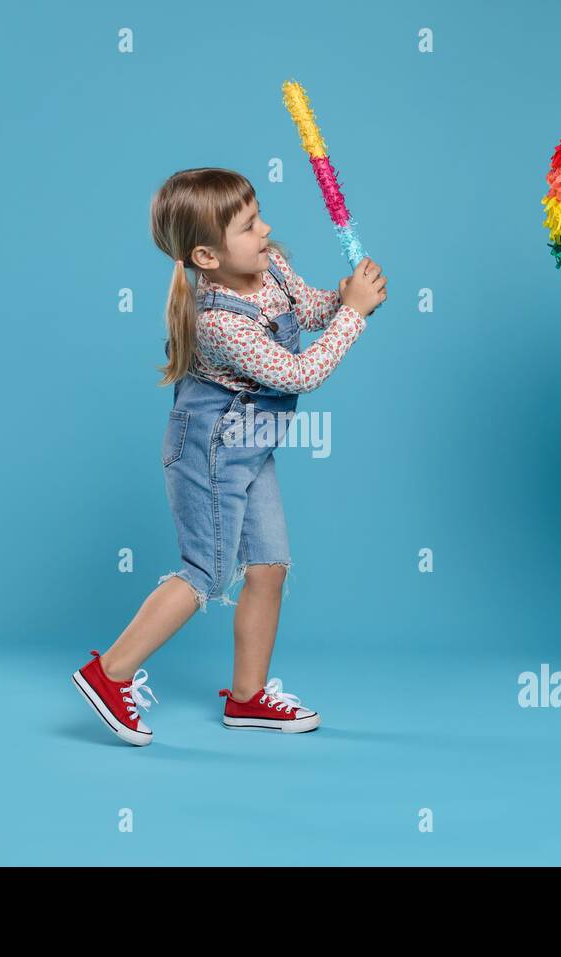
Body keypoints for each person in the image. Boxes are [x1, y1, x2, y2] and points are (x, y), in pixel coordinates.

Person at [71, 167, 386, 746]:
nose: (264, 229)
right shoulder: (219, 323)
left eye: (258, 215)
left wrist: (342, 299)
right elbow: (299, 373)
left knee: (269, 566)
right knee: (206, 572)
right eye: (248, 226)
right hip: (210, 452)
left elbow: (306, 310)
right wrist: (355, 318)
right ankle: (108, 673)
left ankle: (247, 697)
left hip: (252, 444)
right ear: (206, 257)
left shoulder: (271, 266)